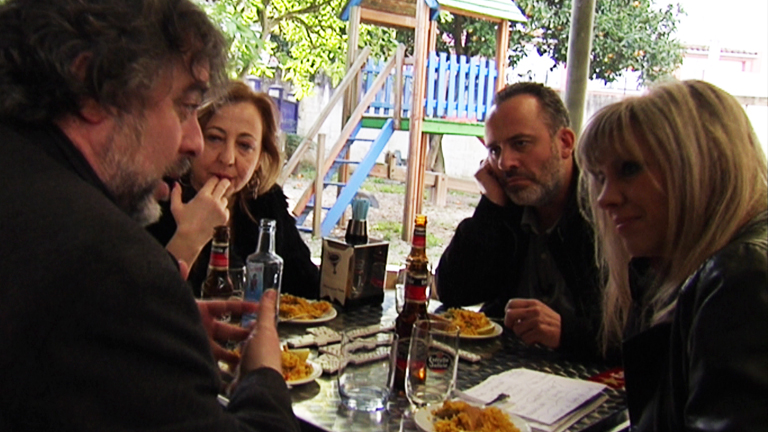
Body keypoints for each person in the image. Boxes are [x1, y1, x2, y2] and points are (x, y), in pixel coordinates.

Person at [0, 1, 300, 431]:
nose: (195, 142)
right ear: (97, 90)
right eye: (186, 106)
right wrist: (264, 376)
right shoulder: (112, 267)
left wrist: (165, 334)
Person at [577, 79, 767, 429]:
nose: (604, 199)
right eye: (599, 177)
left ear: (702, 164)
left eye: (629, 169)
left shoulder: (743, 275)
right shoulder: (679, 269)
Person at [436, 82, 603, 360]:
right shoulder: (509, 208)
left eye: (520, 144)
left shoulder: (605, 213)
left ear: (564, 143)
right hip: (507, 372)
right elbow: (452, 291)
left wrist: (568, 333)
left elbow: (640, 334)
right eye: (495, 150)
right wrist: (491, 206)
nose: (505, 163)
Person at [147, 80, 320, 299]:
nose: (228, 158)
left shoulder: (267, 202)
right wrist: (189, 237)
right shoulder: (155, 198)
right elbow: (140, 304)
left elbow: (309, 290)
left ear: (260, 158)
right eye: (215, 138)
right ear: (192, 140)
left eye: (245, 145)